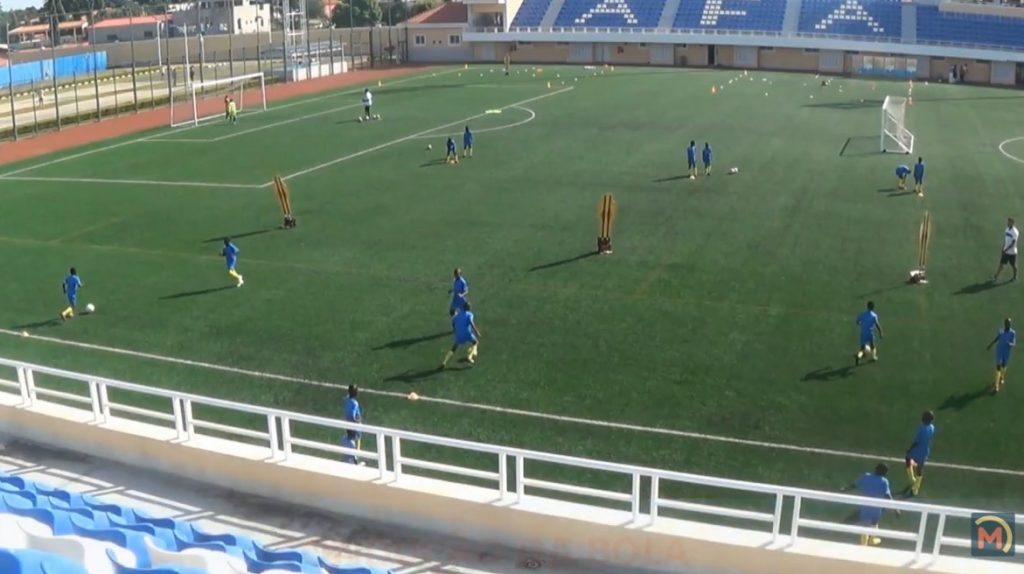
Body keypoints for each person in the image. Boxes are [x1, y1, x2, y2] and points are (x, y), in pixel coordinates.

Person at [841, 463, 898, 546]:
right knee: (874, 522)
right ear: (884, 473)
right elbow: (888, 496)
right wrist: (896, 509)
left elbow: (854, 485)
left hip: (865, 508)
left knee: (864, 526)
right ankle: (872, 539)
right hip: (876, 510)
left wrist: (844, 489)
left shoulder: (866, 477)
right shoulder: (884, 482)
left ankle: (864, 545)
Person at [904, 410, 935, 497]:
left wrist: (909, 449)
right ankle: (916, 488)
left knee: (907, 459)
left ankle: (912, 480)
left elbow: (916, 442)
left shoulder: (921, 429)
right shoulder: (932, 427)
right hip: (925, 451)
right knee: (920, 468)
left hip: (917, 450)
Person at [442, 303, 481, 369]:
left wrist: (455, 331)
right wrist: (476, 331)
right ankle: (470, 356)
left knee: (453, 348)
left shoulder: (456, 316)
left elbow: (453, 324)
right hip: (467, 334)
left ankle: (444, 362)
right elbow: (471, 323)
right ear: (469, 308)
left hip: (459, 335)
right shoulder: (469, 314)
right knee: (475, 342)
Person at [987, 317, 1016, 393]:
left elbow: (1014, 343)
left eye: (1009, 323)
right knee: (998, 368)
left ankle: (1002, 377)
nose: (1009, 325)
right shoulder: (1001, 331)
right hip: (999, 351)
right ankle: (996, 385)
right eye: (1007, 323)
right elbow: (997, 338)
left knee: (1003, 366)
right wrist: (991, 344)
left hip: (1006, 352)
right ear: (1005, 324)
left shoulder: (1013, 333)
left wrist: (1011, 344)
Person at [855, 301, 883, 365]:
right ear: (873, 307)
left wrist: (861, 325)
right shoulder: (874, 315)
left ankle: (858, 356)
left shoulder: (862, 314)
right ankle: (874, 357)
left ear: (867, 306)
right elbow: (877, 325)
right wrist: (880, 332)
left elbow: (857, 322)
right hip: (870, 333)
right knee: (872, 345)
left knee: (862, 348)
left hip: (863, 333)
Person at [994, 217, 1018, 282]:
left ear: (1012, 223)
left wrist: (1005, 250)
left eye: (1009, 222)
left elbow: (1013, 244)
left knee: (1013, 265)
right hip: (1006, 251)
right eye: (1008, 222)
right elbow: (1005, 239)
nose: (1007, 223)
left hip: (1012, 252)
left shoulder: (1015, 232)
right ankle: (996, 276)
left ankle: (1015, 276)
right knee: (1001, 264)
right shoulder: (1007, 229)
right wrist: (1003, 247)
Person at [344, 384, 362, 450]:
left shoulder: (346, 400)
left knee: (350, 440)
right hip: (355, 427)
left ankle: (350, 455)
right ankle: (355, 458)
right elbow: (353, 415)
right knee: (357, 442)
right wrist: (358, 421)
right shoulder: (355, 403)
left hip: (348, 424)